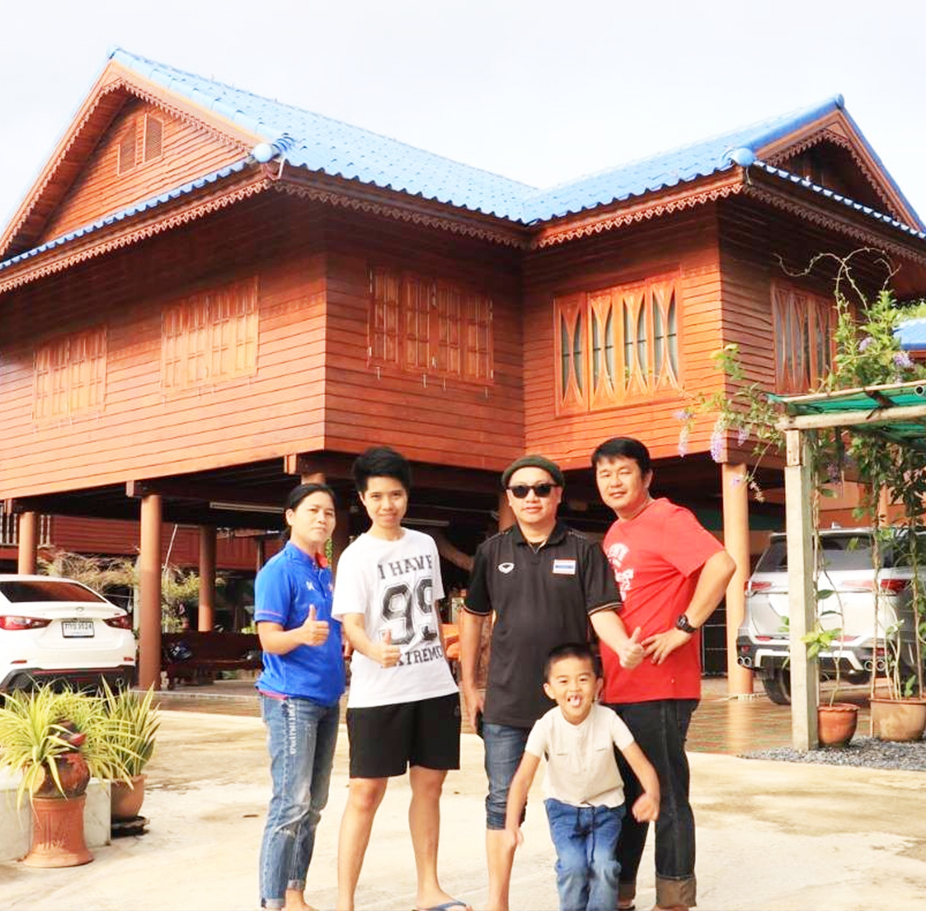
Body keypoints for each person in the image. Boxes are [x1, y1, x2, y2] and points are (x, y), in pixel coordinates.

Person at [460, 454, 644, 911]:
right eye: (520, 490)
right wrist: (469, 684)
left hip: (573, 703)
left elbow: (601, 613)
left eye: (542, 488)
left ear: (558, 494)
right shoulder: (492, 552)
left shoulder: (584, 550)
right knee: (502, 800)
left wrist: (623, 646)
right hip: (507, 700)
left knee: (592, 797)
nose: (531, 497)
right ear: (509, 498)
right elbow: (474, 618)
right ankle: (497, 902)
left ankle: (600, 892)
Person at [591, 437, 737, 911]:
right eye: (604, 474)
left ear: (647, 476)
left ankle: (674, 899)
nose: (614, 482)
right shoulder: (617, 531)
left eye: (624, 471)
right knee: (629, 792)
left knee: (666, 792)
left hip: (660, 685)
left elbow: (722, 564)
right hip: (622, 685)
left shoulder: (668, 518)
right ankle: (622, 895)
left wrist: (684, 627)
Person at [332, 446, 469, 911]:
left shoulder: (424, 544)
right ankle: (345, 903)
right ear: (362, 499)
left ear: (406, 495)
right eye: (376, 496)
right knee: (365, 793)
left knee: (429, 788)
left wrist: (448, 661)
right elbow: (352, 625)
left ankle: (428, 889)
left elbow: (431, 609)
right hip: (378, 692)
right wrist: (372, 649)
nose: (387, 504)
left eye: (395, 494)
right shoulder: (355, 556)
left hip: (434, 687)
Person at [505, 643, 660, 911]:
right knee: (573, 867)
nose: (574, 688)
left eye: (583, 679)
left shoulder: (609, 719)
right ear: (549, 690)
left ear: (598, 685)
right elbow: (522, 779)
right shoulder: (545, 726)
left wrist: (652, 795)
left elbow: (642, 765)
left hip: (606, 807)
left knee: (604, 866)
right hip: (562, 808)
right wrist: (511, 824)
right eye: (564, 681)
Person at [255, 482, 344, 911]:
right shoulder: (278, 571)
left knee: (313, 805)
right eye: (313, 510)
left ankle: (295, 894)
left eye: (329, 512)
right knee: (290, 804)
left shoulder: (325, 572)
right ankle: (272, 901)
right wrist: (302, 635)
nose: (322, 519)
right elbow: (269, 640)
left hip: (327, 699)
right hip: (291, 700)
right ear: (290, 516)